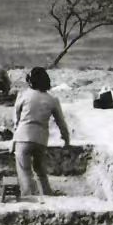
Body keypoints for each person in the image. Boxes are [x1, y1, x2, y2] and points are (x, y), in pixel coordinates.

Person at [13, 67, 71, 197]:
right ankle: (46, 194)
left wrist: (14, 139)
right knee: (40, 169)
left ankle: (29, 196)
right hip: (41, 139)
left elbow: (16, 119)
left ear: (30, 81)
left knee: (24, 171)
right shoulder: (52, 100)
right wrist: (66, 139)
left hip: (23, 136)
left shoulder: (23, 95)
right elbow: (61, 122)